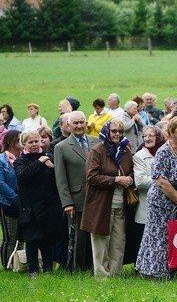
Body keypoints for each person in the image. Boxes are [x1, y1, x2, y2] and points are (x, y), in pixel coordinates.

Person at [135, 117, 177, 279]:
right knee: (161, 238)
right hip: (163, 205)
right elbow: (161, 181)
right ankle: (157, 273)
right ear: (171, 132)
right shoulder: (163, 152)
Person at [81, 119, 134, 277]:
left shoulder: (125, 151)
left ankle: (115, 273)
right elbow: (92, 177)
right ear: (106, 132)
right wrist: (115, 180)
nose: (117, 134)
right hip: (101, 204)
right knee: (101, 241)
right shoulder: (98, 150)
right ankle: (102, 275)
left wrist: (130, 179)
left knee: (118, 241)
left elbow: (131, 171)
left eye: (119, 131)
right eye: (113, 131)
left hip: (121, 203)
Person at [14, 131, 67, 278]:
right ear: (24, 144)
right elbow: (24, 175)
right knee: (32, 241)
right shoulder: (21, 161)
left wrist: (53, 166)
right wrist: (40, 162)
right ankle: (32, 271)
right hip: (30, 209)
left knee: (48, 240)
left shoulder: (48, 158)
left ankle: (48, 270)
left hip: (48, 208)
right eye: (30, 142)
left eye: (36, 141)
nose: (34, 144)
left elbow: (59, 178)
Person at [54, 111, 98, 271]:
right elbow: (60, 178)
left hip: (97, 198)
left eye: (82, 122)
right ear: (68, 126)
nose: (79, 126)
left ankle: (95, 266)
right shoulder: (61, 147)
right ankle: (77, 269)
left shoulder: (97, 142)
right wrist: (67, 203)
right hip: (77, 199)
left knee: (97, 235)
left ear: (86, 123)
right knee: (78, 238)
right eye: (75, 123)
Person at [129, 125, 166, 265]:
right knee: (144, 240)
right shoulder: (139, 156)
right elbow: (140, 181)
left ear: (159, 137)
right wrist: (163, 182)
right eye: (145, 136)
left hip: (165, 205)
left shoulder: (164, 152)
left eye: (151, 135)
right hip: (146, 205)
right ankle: (142, 267)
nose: (148, 138)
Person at [0, 130, 22, 268]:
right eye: (20, 139)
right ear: (11, 141)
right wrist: (14, 198)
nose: (22, 141)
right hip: (7, 203)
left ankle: (19, 264)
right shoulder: (2, 160)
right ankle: (7, 265)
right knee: (10, 237)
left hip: (21, 203)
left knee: (21, 238)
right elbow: (0, 183)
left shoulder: (22, 158)